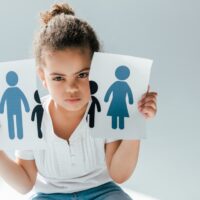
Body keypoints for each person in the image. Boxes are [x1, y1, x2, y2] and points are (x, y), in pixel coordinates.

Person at [0, 3, 158, 200]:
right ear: (43, 76)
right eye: (58, 78)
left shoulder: (105, 111)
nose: (72, 88)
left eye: (82, 74)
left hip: (103, 192)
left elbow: (120, 174)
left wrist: (135, 122)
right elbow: (24, 184)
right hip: (50, 196)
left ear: (97, 69)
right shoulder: (31, 117)